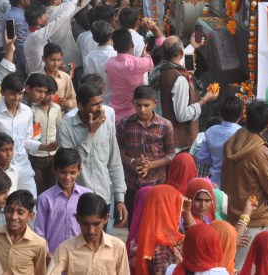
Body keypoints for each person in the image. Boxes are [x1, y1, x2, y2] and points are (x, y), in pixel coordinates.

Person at [56, 83, 128, 227]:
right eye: (95, 104)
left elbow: (114, 162)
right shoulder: (65, 126)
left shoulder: (106, 124)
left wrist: (120, 199)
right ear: (81, 106)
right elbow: (69, 165)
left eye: (101, 103)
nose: (100, 108)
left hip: (104, 198)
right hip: (76, 200)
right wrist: (90, 134)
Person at [0, 73, 57, 198]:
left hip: (23, 166)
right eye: (12, 94)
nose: (16, 98)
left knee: (31, 202)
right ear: (3, 92)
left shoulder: (27, 112)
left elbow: (27, 141)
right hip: (0, 168)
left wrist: (46, 147)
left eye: (20, 94)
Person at [221, 102, 268, 228]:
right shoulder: (264, 154)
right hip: (252, 217)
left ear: (245, 119)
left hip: (228, 212)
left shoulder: (230, 143)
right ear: (267, 125)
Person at [117, 85, 175, 224]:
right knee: (134, 225)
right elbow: (117, 152)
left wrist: (150, 165)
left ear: (155, 104)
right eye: (138, 105)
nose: (142, 110)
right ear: (133, 103)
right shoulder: (124, 124)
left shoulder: (165, 126)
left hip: (156, 184)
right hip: (131, 185)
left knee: (154, 225)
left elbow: (170, 155)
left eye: (146, 105)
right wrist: (132, 162)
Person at [34, 148, 90, 254]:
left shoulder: (87, 196)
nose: (67, 177)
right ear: (55, 170)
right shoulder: (45, 199)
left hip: (81, 256)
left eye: (72, 172)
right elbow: (39, 233)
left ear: (79, 171)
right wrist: (47, 254)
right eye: (63, 172)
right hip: (53, 257)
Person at [0, 189, 48, 275]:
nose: (14, 217)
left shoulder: (39, 244)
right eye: (10, 211)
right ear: (5, 211)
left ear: (30, 216)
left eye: (20, 212)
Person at [133, 184, 185, 275]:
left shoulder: (155, 236)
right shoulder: (162, 246)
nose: (181, 210)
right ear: (168, 208)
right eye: (177, 204)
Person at [106, 28, 156, 121]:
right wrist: (144, 53)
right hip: (133, 114)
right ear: (132, 45)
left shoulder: (109, 63)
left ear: (114, 47)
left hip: (115, 113)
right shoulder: (137, 63)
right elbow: (150, 63)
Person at [24, 73, 61, 194]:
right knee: (39, 187)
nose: (49, 97)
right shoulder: (31, 110)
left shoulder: (56, 108)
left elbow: (59, 128)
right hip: (36, 156)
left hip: (53, 154)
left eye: (52, 93)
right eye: (47, 93)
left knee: (53, 186)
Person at [39, 43, 77, 114]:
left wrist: (67, 103)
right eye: (52, 60)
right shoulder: (35, 77)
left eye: (59, 60)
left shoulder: (65, 77)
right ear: (44, 59)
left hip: (60, 117)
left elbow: (74, 99)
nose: (56, 64)